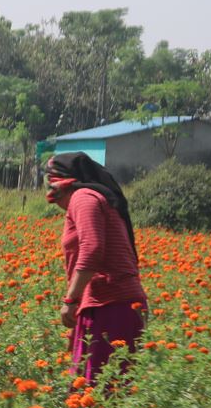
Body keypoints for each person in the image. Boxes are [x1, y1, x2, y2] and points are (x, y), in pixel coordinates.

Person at [45, 152, 148, 386]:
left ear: (62, 183)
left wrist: (70, 301)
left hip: (111, 305)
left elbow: (92, 249)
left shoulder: (83, 198)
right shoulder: (92, 198)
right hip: (106, 304)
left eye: (50, 184)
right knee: (103, 388)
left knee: (99, 391)